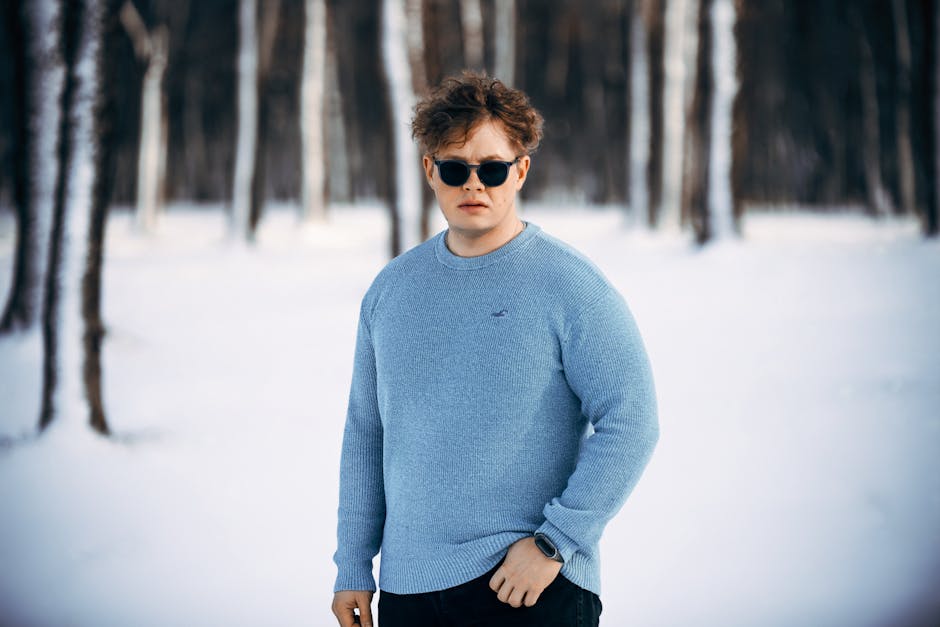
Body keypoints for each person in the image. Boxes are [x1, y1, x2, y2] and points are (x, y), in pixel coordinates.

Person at [331, 72, 659, 627]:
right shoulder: (392, 290)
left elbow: (633, 421)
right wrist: (353, 567)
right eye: (456, 169)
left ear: (521, 170)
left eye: (493, 169)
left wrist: (556, 544)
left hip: (528, 588)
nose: (473, 185)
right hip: (410, 593)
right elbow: (367, 432)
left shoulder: (568, 284)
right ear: (431, 170)